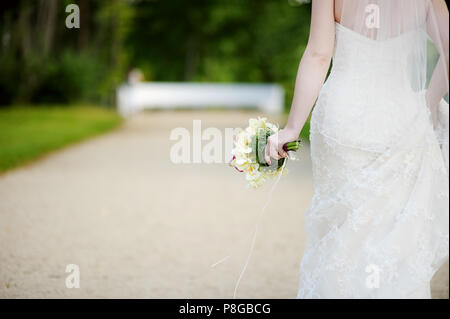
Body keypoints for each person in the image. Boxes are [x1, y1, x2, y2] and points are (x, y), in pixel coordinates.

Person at [265, 0, 449, 298]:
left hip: (343, 120)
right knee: (391, 235)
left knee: (343, 228)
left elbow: (318, 55)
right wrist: (427, 105)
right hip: (400, 120)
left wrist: (292, 129)